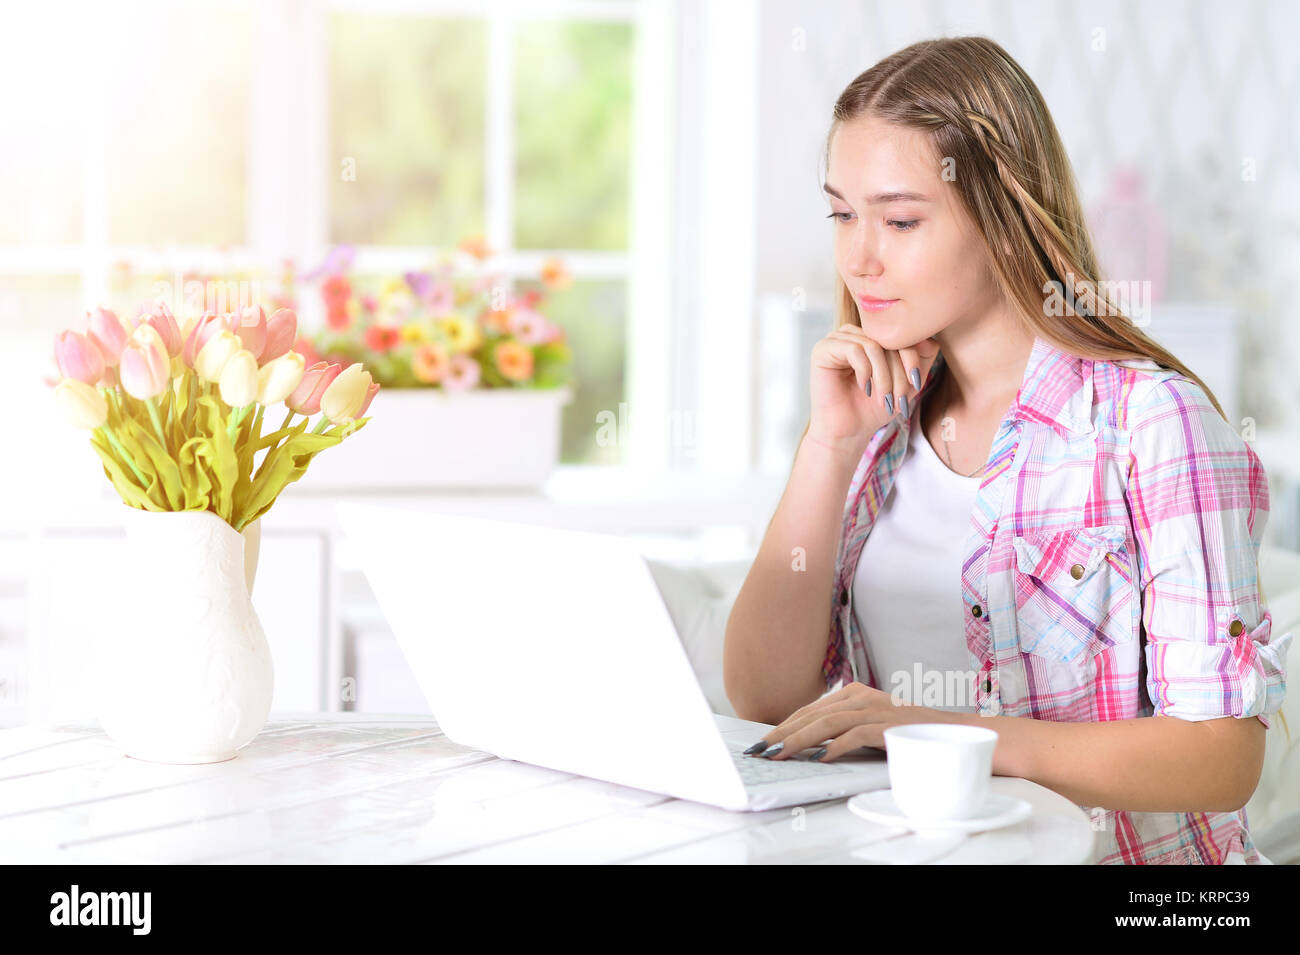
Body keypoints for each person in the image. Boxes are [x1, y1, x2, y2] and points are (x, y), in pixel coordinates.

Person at [723, 35, 1290, 865]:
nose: (858, 255)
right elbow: (768, 695)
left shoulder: (1151, 420)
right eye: (842, 212)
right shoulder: (877, 427)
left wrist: (937, 732)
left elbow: (1220, 758)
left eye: (900, 218)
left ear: (1002, 216)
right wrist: (829, 445)